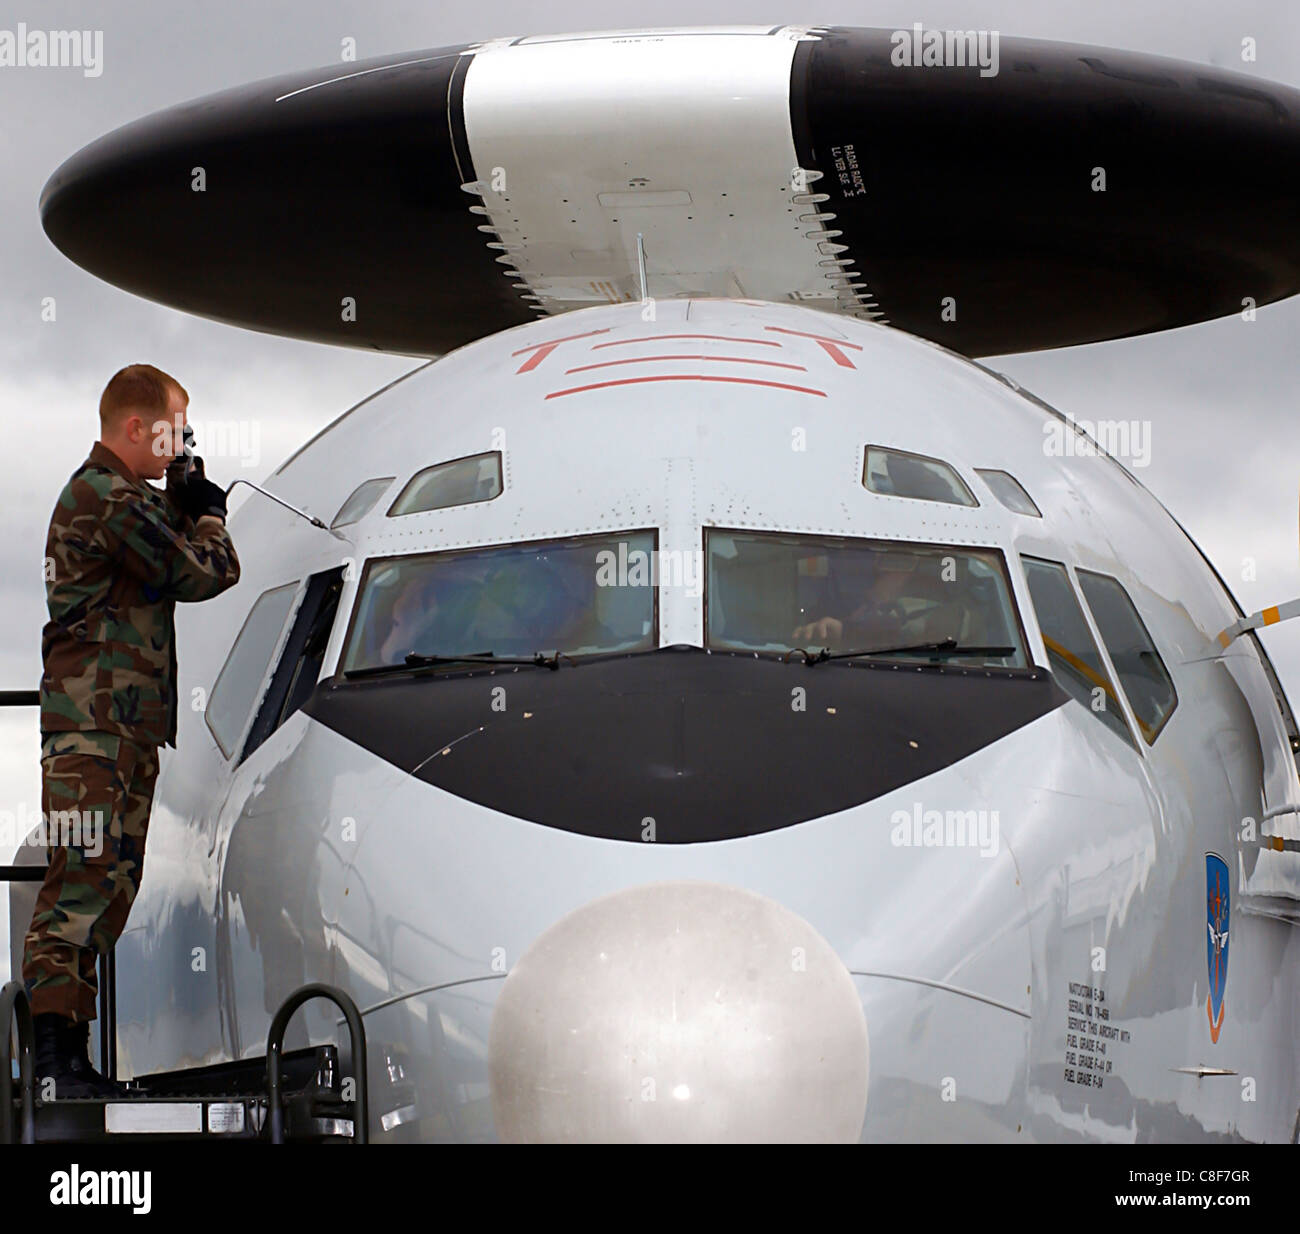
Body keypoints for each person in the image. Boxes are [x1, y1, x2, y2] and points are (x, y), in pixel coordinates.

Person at [22, 364, 241, 1099]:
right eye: (176, 432)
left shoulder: (125, 502)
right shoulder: (104, 497)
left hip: (122, 728)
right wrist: (205, 512)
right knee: (79, 885)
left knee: (110, 884)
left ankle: (69, 1058)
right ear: (135, 429)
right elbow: (206, 571)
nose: (182, 446)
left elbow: (161, 560)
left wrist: (178, 504)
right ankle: (53, 1064)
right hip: (93, 731)